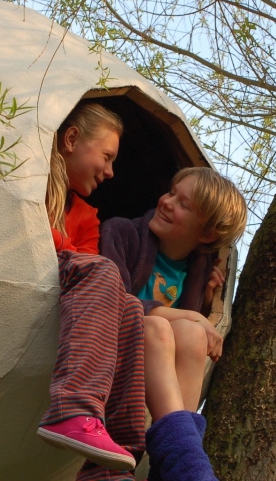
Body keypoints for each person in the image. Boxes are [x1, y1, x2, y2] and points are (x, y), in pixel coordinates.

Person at [100, 167, 247, 481]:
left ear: (206, 234)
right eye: (171, 193)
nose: (166, 202)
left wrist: (205, 304)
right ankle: (185, 463)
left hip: (155, 374)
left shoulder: (197, 271)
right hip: (110, 351)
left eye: (184, 204)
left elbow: (187, 336)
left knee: (193, 335)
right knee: (159, 327)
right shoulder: (121, 233)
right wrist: (190, 315)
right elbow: (111, 302)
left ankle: (169, 469)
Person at [37, 101, 147, 480]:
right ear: (70, 139)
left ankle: (113, 462)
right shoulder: (28, 183)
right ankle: (73, 409)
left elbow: (81, 262)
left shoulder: (86, 216)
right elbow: (33, 239)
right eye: (106, 156)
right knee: (103, 272)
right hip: (32, 284)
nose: (111, 171)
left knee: (131, 307)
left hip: (65, 292)